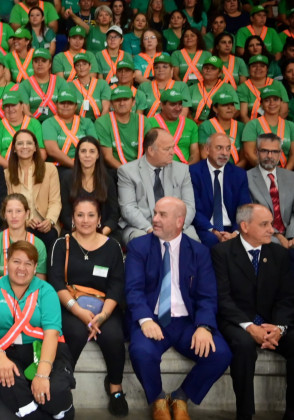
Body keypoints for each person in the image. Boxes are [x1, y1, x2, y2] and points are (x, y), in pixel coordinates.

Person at [124, 197, 232, 420]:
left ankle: (182, 396)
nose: (154, 219)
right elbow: (133, 290)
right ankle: (158, 399)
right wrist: (145, 320)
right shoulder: (138, 247)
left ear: (179, 221)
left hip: (186, 322)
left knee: (220, 354)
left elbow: (207, 296)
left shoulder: (199, 252)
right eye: (154, 213)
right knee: (141, 352)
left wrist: (204, 326)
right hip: (153, 318)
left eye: (162, 215)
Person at [212, 203, 294, 420]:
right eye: (265, 224)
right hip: (237, 322)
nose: (272, 230)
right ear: (245, 226)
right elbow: (223, 298)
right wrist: (250, 327)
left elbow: (287, 297)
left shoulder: (280, 254)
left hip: (271, 323)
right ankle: (245, 413)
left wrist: (279, 328)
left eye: (272, 224)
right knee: (244, 345)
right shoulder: (222, 253)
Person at [0, 240, 75, 420]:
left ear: (35, 266)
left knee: (53, 392)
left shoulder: (47, 291)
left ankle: (65, 412)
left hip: (43, 349)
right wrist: (0, 358)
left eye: (28, 263)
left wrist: (42, 374)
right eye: (16, 261)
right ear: (6, 263)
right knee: (9, 383)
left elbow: (52, 334)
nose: (21, 268)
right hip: (5, 351)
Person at [49, 197, 128, 416]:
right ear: (73, 218)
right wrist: (80, 312)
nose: (85, 220)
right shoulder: (60, 243)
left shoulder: (112, 246)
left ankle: (115, 388)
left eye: (91, 215)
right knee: (73, 333)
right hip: (71, 305)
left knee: (113, 337)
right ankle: (63, 387)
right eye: (80, 215)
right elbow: (56, 281)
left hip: (105, 307)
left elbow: (117, 284)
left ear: (99, 219)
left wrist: (102, 316)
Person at [117, 128, 198, 243]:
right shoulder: (127, 171)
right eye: (167, 149)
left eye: (173, 147)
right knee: (142, 242)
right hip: (141, 226)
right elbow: (128, 208)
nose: (172, 152)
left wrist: (177, 227)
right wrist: (150, 229)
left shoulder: (182, 170)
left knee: (192, 240)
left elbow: (189, 206)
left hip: (175, 226)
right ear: (150, 150)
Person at [189, 132, 252, 248]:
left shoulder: (239, 174)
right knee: (211, 241)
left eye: (228, 149)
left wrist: (235, 233)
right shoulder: (193, 172)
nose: (224, 153)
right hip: (206, 227)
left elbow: (244, 207)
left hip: (233, 227)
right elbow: (194, 209)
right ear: (207, 149)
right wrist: (214, 231)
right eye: (219, 148)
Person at [3, 130, 61, 252]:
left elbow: (55, 201)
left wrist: (49, 221)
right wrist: (26, 222)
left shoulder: (50, 169)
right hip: (20, 224)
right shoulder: (7, 174)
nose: (25, 147)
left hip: (46, 224)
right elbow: (8, 206)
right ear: (14, 148)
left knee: (50, 235)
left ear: (35, 147)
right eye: (20, 143)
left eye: (29, 143)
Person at [60, 137, 120, 239]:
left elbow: (114, 214)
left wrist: (100, 234)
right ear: (78, 154)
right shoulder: (67, 178)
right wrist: (82, 232)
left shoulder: (107, 179)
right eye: (83, 151)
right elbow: (65, 214)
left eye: (92, 151)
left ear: (98, 155)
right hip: (75, 231)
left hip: (102, 232)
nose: (87, 155)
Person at [0, 193, 48, 279]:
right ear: (4, 215)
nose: (14, 216)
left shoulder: (38, 244)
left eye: (18, 211)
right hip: (0, 291)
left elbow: (40, 282)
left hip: (29, 292)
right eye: (9, 211)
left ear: (27, 214)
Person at [246, 133, 294, 247]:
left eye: (275, 152)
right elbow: (251, 216)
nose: (269, 156)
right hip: (263, 237)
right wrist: (277, 236)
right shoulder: (246, 178)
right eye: (264, 151)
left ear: (280, 154)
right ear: (257, 152)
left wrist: (291, 236)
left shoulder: (291, 177)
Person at [42, 86, 97, 169]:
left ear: (75, 106)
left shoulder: (87, 122)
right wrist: (76, 167)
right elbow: (52, 151)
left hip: (86, 164)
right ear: (56, 104)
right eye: (62, 103)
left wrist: (86, 165)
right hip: (60, 167)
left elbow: (94, 147)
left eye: (70, 103)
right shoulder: (49, 123)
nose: (66, 106)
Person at [241, 86, 294, 169]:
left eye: (275, 99)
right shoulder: (252, 125)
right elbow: (249, 154)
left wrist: (284, 173)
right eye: (267, 100)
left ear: (281, 102)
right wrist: (267, 172)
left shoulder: (291, 126)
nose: (272, 103)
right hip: (260, 172)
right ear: (261, 104)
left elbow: (293, 155)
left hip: (285, 172)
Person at [0, 91, 44, 169]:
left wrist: (28, 168)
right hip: (6, 169)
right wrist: (13, 168)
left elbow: (42, 151)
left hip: (31, 168)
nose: (10, 109)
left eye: (14, 105)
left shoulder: (34, 123)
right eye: (7, 106)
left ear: (22, 106)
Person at [145, 88, 200, 165]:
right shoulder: (149, 123)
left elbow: (195, 153)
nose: (178, 108)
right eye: (173, 104)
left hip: (185, 169)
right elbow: (147, 152)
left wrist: (185, 170)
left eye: (180, 104)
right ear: (162, 105)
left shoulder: (191, 124)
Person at [97, 85, 147, 169]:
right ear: (111, 104)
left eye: (126, 99)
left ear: (133, 102)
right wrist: (128, 173)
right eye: (117, 100)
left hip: (141, 168)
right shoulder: (102, 122)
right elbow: (108, 157)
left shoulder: (143, 121)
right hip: (115, 169)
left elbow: (150, 150)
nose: (122, 103)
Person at [198, 90, 246, 167]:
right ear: (215, 109)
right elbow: (204, 154)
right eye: (225, 105)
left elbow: (244, 158)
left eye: (232, 104)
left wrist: (233, 171)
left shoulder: (241, 127)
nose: (230, 108)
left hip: (236, 171)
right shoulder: (205, 126)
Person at [17, 48, 64, 124]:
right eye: (36, 61)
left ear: (50, 64)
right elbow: (26, 111)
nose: (40, 64)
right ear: (32, 64)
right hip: (33, 123)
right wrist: (35, 125)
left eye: (44, 61)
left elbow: (65, 108)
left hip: (57, 123)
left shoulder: (60, 82)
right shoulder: (24, 85)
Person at [238, 55, 289, 124]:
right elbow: (243, 115)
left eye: (262, 66)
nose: (258, 68)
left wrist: (272, 127)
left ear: (267, 69)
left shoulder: (277, 85)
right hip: (251, 127)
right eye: (254, 66)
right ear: (249, 69)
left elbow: (284, 111)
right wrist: (254, 129)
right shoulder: (243, 87)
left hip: (275, 127)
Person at [188, 56, 232, 123]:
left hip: (218, 125)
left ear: (220, 73)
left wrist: (213, 126)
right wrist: (193, 125)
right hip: (194, 125)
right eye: (206, 68)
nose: (208, 70)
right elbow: (185, 110)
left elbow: (235, 110)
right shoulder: (191, 88)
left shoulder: (227, 88)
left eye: (213, 68)